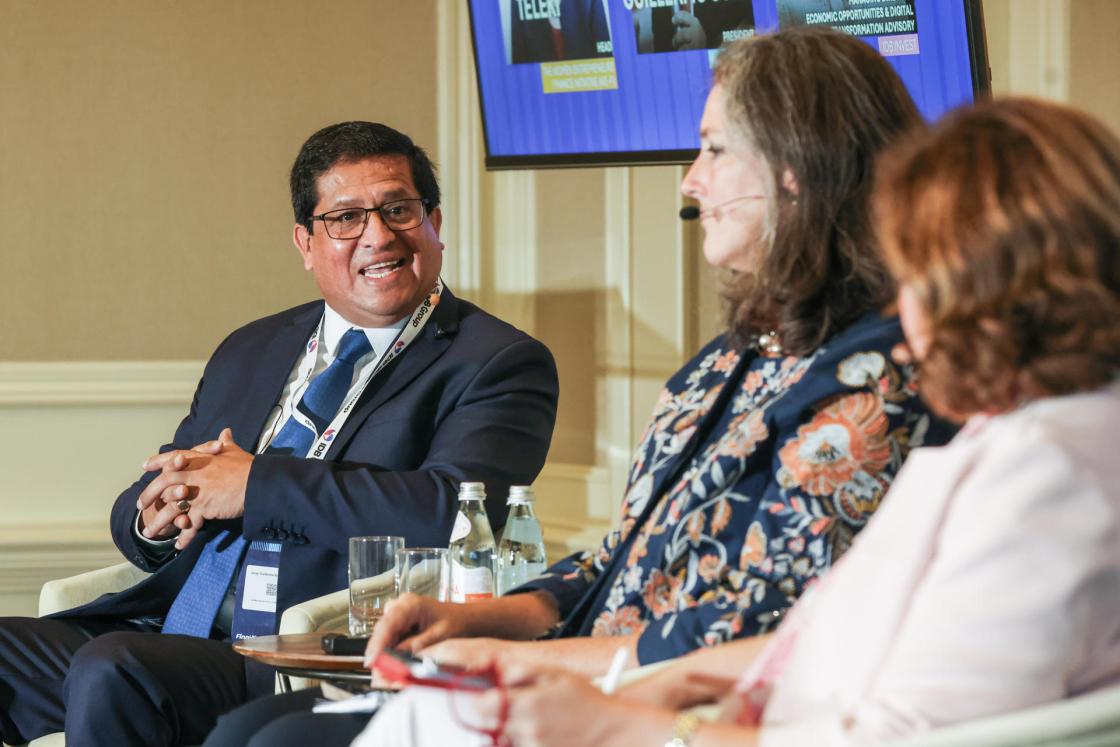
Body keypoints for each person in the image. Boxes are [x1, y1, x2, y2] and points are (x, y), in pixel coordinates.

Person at [207, 25, 954, 747]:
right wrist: (483, 617)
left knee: (276, 736)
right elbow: (622, 557)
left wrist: (521, 659)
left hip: (666, 705)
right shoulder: (726, 362)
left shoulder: (872, 388)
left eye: (715, 149)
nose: (691, 179)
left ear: (799, 170)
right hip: (582, 664)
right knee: (251, 728)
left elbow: (762, 627)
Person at [360, 95, 1120, 747]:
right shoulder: (1020, 437)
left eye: (915, 275)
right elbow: (818, 639)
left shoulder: (1053, 475)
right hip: (706, 701)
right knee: (426, 713)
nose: (901, 305)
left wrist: (627, 722)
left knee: (424, 722)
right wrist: (649, 681)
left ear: (987, 290)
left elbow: (896, 730)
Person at [0, 121, 559, 747]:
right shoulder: (253, 346)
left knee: (117, 669)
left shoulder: (497, 362)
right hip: (172, 620)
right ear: (306, 242)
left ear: (435, 223)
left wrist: (257, 484)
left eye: (399, 210)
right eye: (346, 217)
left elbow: (449, 512)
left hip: (296, 652)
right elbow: (160, 486)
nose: (379, 235)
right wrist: (152, 519)